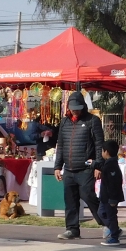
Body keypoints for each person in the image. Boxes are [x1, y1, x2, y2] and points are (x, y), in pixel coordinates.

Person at [53, 90, 105, 240]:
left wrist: (98, 165)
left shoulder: (92, 121)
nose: (75, 110)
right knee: (70, 200)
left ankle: (107, 223)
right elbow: (61, 145)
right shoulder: (64, 122)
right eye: (72, 107)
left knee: (89, 196)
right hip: (68, 169)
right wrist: (58, 166)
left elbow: (99, 144)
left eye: (78, 107)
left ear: (83, 106)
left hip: (86, 169)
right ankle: (72, 229)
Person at [97, 139, 125, 246]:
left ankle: (114, 236)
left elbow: (113, 184)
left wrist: (113, 198)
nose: (101, 153)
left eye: (102, 151)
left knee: (111, 216)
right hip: (105, 197)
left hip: (110, 198)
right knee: (101, 213)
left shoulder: (112, 166)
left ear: (106, 152)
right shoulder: (108, 164)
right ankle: (115, 229)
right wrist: (94, 164)